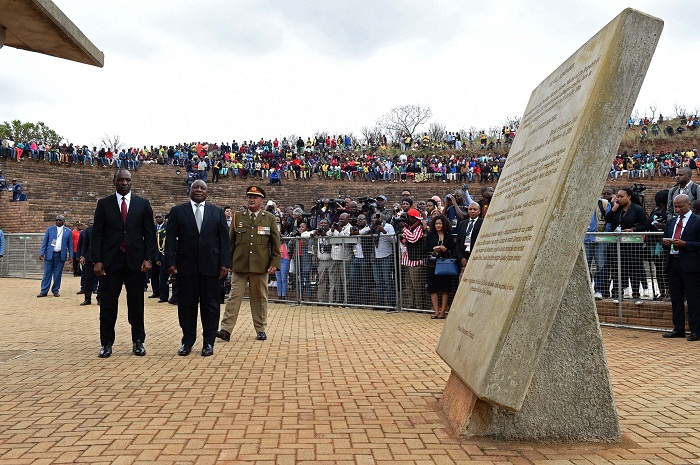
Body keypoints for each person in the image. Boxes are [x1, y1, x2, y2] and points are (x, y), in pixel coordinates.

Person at [92, 169, 156, 359]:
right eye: (120, 180)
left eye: (127, 180)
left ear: (132, 182)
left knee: (136, 303)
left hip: (136, 262)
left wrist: (148, 258)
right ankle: (106, 343)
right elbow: (97, 235)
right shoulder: (103, 204)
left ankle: (138, 341)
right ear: (114, 181)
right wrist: (97, 260)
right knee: (108, 303)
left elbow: (150, 234)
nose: (124, 183)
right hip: (110, 261)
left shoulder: (142, 204)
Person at [166, 180, 230, 356]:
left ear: (207, 193)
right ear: (190, 190)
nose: (199, 190)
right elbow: (170, 239)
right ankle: (187, 341)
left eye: (203, 188)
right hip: (185, 268)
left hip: (211, 267)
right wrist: (170, 263)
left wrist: (225, 263)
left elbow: (224, 241)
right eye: (196, 187)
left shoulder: (217, 213)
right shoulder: (178, 212)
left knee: (211, 306)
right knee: (186, 306)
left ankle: (208, 343)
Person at [217, 186, 281, 342]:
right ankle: (226, 329)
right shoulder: (238, 217)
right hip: (239, 265)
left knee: (259, 298)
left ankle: (260, 329)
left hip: (260, 266)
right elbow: (229, 242)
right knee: (234, 297)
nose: (251, 199)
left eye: (255, 197)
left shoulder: (269, 218)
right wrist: (227, 261)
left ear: (262, 200)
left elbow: (275, 243)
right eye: (249, 197)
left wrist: (275, 263)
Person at [662, 194, 700, 341]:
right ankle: (678, 329)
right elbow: (665, 238)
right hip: (673, 263)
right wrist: (666, 243)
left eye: (680, 206)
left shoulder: (697, 221)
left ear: (688, 204)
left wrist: (685, 244)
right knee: (676, 299)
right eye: (675, 206)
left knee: (693, 299)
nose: (677, 209)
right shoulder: (671, 222)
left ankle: (695, 330)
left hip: (691, 265)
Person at [605, 187, 649, 306]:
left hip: (632, 244)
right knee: (618, 269)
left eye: (621, 197)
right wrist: (614, 209)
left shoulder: (637, 209)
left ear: (629, 197)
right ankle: (619, 293)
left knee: (633, 269)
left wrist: (633, 229)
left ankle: (636, 294)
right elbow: (607, 219)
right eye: (617, 196)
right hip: (618, 244)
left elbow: (645, 224)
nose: (618, 199)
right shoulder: (617, 209)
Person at [424, 215, 455, 319]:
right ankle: (436, 311)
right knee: (433, 288)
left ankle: (442, 312)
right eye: (436, 223)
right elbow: (425, 248)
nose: (438, 225)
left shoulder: (449, 236)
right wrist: (434, 249)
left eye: (440, 223)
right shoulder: (430, 235)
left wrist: (444, 250)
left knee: (445, 288)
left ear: (444, 224)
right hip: (432, 264)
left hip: (445, 264)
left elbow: (452, 250)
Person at [38, 215, 73, 298]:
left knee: (57, 274)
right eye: (56, 220)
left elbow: (70, 245)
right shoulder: (50, 229)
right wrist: (41, 252)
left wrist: (71, 256)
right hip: (50, 254)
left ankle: (55, 290)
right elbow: (45, 242)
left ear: (64, 221)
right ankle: (44, 291)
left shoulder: (68, 231)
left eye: (60, 220)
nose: (57, 221)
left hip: (60, 255)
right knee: (47, 273)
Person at [455, 202, 482, 268]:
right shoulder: (462, 223)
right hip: (463, 257)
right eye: (470, 209)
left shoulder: (483, 223)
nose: (472, 211)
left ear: (479, 211)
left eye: (475, 209)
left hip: (476, 257)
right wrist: (461, 257)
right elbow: (458, 242)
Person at [79, 218, 99, 306]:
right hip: (89, 258)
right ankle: (87, 299)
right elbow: (85, 244)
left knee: (102, 280)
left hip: (101, 258)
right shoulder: (88, 230)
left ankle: (100, 299)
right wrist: (82, 255)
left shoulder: (105, 229)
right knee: (88, 279)